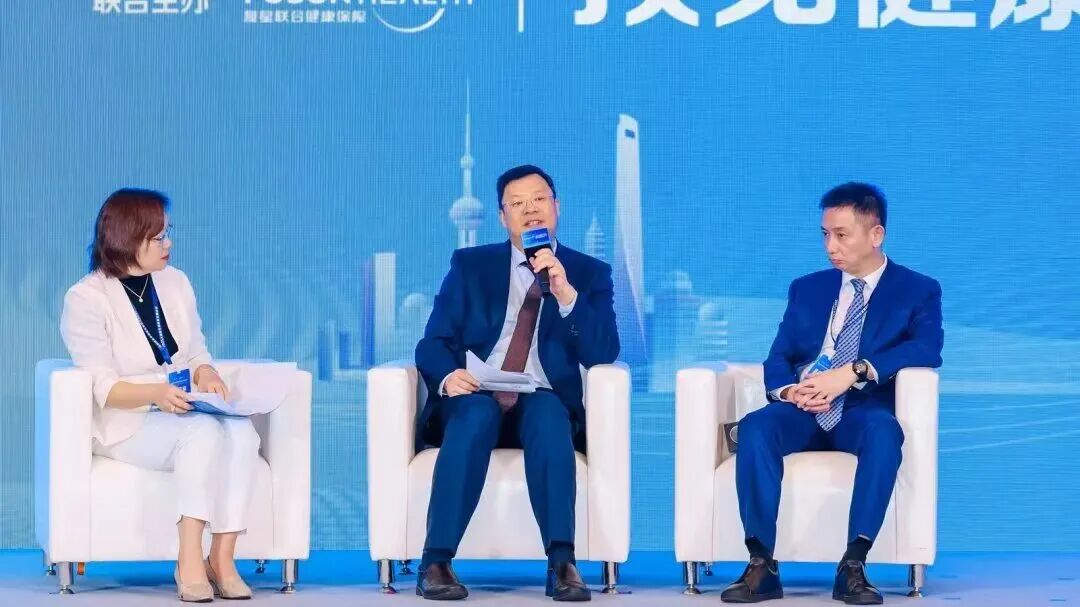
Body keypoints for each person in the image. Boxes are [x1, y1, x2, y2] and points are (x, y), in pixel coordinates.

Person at [721, 183, 944, 605]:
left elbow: (926, 347)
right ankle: (761, 564)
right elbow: (779, 355)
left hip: (861, 408)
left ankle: (853, 565)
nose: (830, 247)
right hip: (803, 408)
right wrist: (791, 391)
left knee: (884, 432)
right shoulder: (808, 288)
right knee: (755, 428)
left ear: (875, 234)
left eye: (841, 235)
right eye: (825, 234)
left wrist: (854, 371)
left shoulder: (917, 289)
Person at [414, 165, 620, 602]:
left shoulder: (589, 274)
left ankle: (562, 564)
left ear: (557, 207)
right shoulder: (471, 265)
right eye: (517, 204)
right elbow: (433, 342)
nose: (530, 210)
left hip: (540, 396)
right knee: (476, 412)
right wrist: (449, 377)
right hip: (476, 392)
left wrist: (565, 294)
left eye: (539, 199)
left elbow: (603, 353)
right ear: (502, 216)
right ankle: (435, 562)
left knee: (549, 415)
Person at [60, 188, 260, 602]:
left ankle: (222, 559)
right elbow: (103, 387)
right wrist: (157, 393)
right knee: (203, 433)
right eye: (158, 237)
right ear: (127, 238)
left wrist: (205, 371)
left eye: (168, 234)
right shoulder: (86, 298)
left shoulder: (175, 282)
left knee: (244, 434)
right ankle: (189, 558)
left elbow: (196, 350)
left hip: (181, 407)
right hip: (126, 421)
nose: (168, 244)